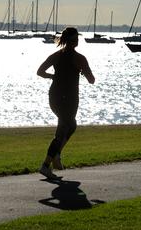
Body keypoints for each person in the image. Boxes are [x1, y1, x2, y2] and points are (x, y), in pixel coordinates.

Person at [37, 26, 95, 180]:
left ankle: (56, 155)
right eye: (77, 39)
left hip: (55, 96)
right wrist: (84, 72)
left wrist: (53, 77)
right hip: (68, 98)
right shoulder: (80, 58)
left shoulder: (56, 55)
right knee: (63, 129)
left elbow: (40, 71)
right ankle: (45, 165)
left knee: (70, 125)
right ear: (75, 41)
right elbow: (92, 80)